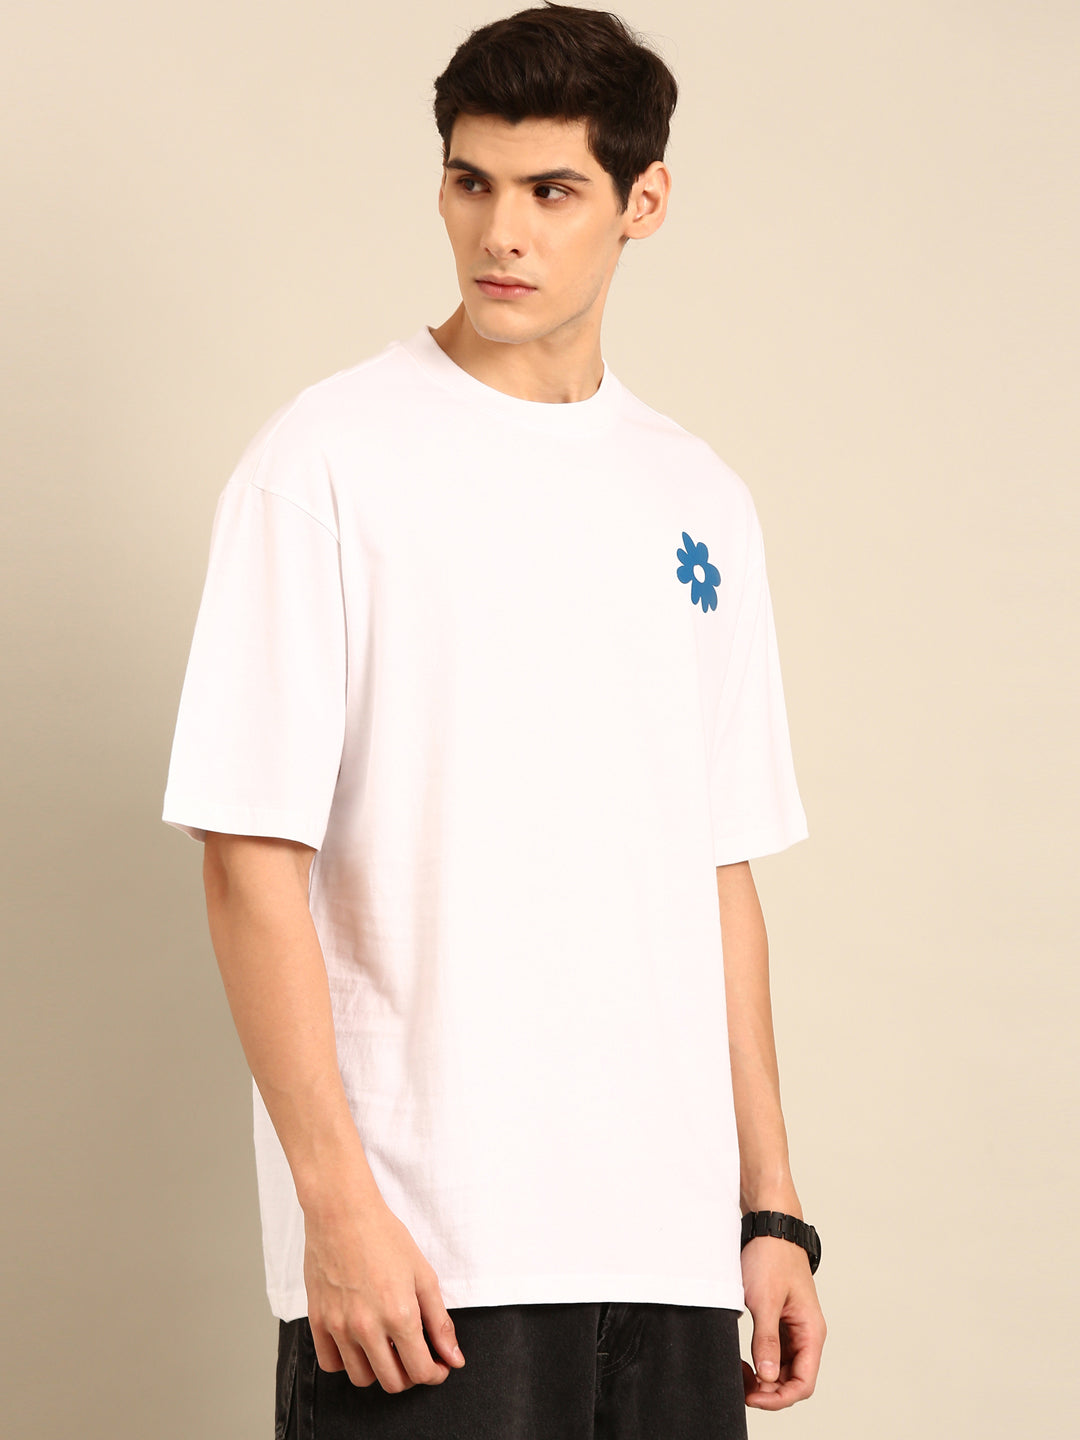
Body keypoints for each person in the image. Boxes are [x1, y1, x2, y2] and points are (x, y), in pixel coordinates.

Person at [161, 4, 827, 1436]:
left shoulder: (699, 498)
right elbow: (247, 855)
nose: (500, 232)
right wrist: (337, 1209)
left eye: (551, 191)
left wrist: (770, 1208)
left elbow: (717, 870)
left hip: (669, 1259)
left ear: (644, 201)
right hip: (426, 1263)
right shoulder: (327, 462)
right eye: (471, 182)